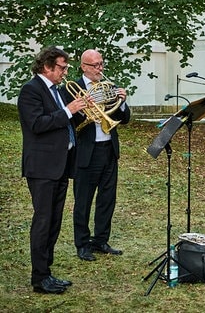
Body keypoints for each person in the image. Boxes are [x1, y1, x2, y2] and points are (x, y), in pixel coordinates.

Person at [18, 46, 88, 294]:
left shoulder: (56, 91)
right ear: (47, 66)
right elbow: (37, 124)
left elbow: (64, 121)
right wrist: (69, 110)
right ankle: (39, 278)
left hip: (60, 165)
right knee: (43, 221)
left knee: (54, 222)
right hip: (42, 167)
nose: (65, 72)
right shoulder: (31, 90)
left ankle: (46, 272)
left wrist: (81, 111)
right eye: (62, 67)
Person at [68, 49, 130, 261]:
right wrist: (83, 107)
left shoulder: (109, 86)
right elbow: (68, 121)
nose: (99, 69)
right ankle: (82, 244)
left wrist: (122, 101)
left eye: (101, 64)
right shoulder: (70, 89)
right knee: (83, 200)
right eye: (95, 65)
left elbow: (125, 118)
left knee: (107, 199)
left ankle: (101, 240)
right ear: (83, 66)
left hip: (108, 150)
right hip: (87, 151)